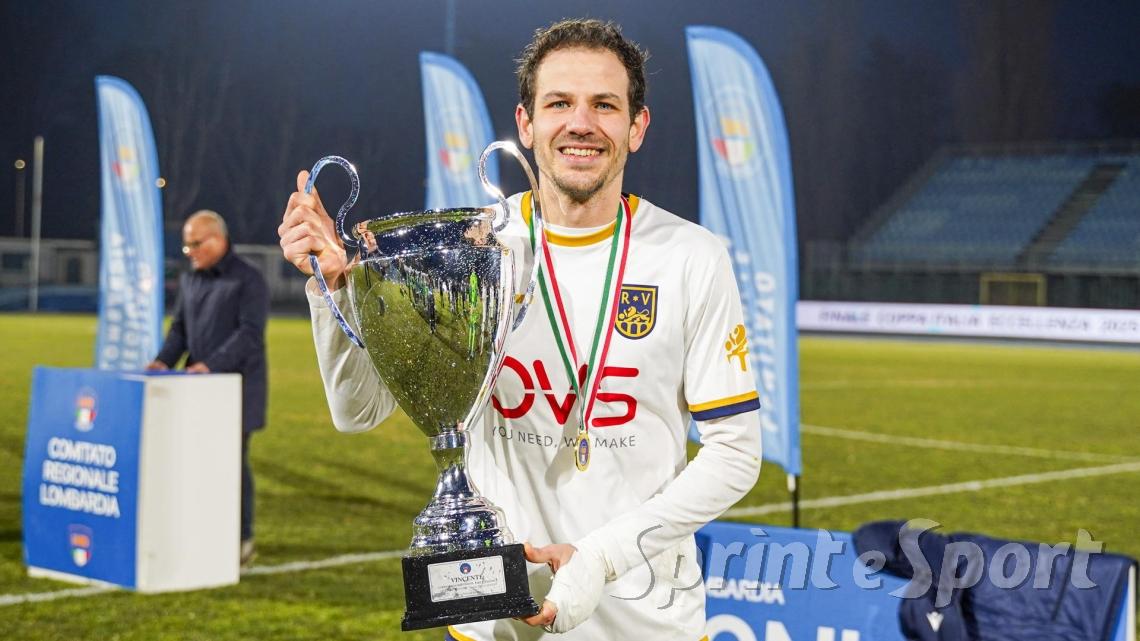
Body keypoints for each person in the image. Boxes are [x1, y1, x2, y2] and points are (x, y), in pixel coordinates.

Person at [278, 19, 761, 640]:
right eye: (558, 103)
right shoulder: (472, 248)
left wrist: (601, 558)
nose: (580, 123)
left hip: (645, 623)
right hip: (494, 622)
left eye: (604, 105)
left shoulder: (690, 256)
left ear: (636, 127)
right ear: (526, 124)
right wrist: (335, 287)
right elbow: (357, 411)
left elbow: (734, 453)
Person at [148, 209, 269, 567]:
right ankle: (205, 531)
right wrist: (162, 362)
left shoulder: (249, 279)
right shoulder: (191, 279)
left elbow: (249, 335)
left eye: (196, 244)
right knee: (198, 464)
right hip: (197, 391)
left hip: (237, 391)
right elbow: (180, 330)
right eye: (187, 245)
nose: (190, 252)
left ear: (218, 239)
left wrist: (211, 365)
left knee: (232, 465)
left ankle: (242, 538)